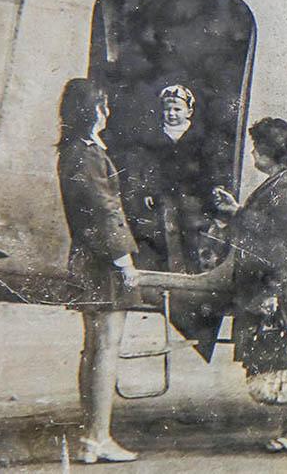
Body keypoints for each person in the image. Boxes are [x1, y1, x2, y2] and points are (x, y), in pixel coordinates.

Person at [213, 117, 287, 452]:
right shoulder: (284, 182)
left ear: (269, 151)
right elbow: (266, 229)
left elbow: (279, 244)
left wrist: (271, 291)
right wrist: (236, 212)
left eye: (256, 148)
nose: (252, 154)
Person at [56, 78, 140, 463]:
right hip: (104, 264)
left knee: (93, 348)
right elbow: (104, 211)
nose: (107, 113)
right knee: (106, 348)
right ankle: (98, 438)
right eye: (102, 106)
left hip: (86, 260)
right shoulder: (88, 155)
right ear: (91, 110)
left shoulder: (72, 152)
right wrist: (125, 261)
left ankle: (90, 439)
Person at [131, 84, 231, 272]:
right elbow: (149, 166)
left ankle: (194, 271)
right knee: (169, 231)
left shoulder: (200, 137)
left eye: (177, 109)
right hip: (166, 194)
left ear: (189, 112)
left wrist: (216, 185)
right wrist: (148, 190)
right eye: (167, 109)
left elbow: (211, 164)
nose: (172, 113)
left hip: (193, 195)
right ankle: (174, 270)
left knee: (194, 232)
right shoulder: (156, 137)